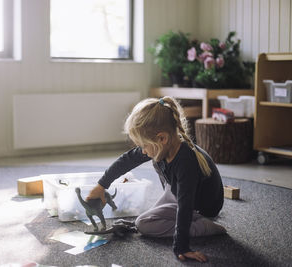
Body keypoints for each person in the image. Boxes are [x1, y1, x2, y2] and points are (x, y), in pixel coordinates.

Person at [86, 96, 226, 263]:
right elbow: (128, 159)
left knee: (143, 223)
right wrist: (101, 185)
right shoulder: (167, 145)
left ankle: (201, 226)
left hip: (201, 207)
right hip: (182, 192)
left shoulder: (186, 161)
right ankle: (178, 210)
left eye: (144, 146)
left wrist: (181, 247)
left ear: (162, 138)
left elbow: (185, 205)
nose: (143, 151)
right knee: (156, 161)